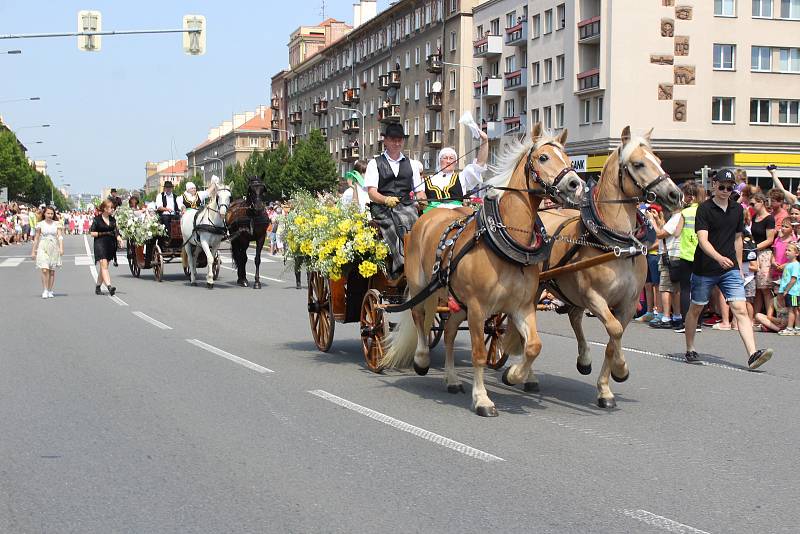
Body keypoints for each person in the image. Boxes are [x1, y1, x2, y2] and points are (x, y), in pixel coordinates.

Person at [683, 169, 774, 369]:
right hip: (705, 268)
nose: (725, 190)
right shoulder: (704, 209)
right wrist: (718, 257)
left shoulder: (736, 210)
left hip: (730, 269)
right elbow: (702, 240)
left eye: (729, 187)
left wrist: (739, 266)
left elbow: (738, 239)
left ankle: (752, 354)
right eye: (722, 186)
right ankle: (690, 348)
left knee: (740, 309)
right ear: (714, 185)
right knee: (696, 308)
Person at [364, 122, 425, 278]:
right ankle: (401, 264)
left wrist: (423, 201)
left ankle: (421, 260)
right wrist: (385, 200)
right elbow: (372, 192)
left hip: (406, 206)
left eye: (400, 140)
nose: (397, 143)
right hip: (382, 207)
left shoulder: (411, 164)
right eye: (393, 139)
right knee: (398, 223)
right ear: (385, 141)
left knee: (419, 223)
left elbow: (419, 191)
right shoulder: (374, 163)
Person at [422, 130, 489, 212]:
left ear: (456, 162)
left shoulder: (462, 177)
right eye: (445, 158)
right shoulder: (427, 180)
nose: (448, 161)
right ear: (439, 161)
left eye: (451, 158)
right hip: (432, 216)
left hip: (457, 217)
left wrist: (485, 141)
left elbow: (480, 164)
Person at [674, 181, 704, 333]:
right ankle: (699, 322)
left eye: (685, 195)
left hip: (686, 254)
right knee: (701, 288)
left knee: (685, 289)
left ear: (690, 197)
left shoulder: (684, 213)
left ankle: (687, 322)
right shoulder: (704, 210)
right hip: (702, 253)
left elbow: (676, 233)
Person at [647, 204, 683, 328]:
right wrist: (657, 219)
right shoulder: (677, 217)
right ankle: (676, 316)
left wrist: (652, 221)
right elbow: (665, 231)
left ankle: (666, 317)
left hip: (670, 255)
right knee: (674, 288)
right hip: (672, 254)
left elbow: (660, 234)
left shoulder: (676, 217)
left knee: (665, 288)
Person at [749, 192, 776, 319]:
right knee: (757, 289)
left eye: (753, 204)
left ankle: (769, 316)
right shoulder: (754, 217)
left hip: (764, 254)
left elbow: (769, 239)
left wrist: (753, 247)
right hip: (754, 254)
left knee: (765, 288)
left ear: (761, 202)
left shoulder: (769, 218)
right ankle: (756, 317)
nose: (751, 206)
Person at [90, 200, 124, 296]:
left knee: (104, 267)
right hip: (100, 244)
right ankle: (109, 287)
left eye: (113, 207)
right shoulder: (97, 219)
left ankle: (98, 287)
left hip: (110, 244)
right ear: (105, 208)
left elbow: (116, 232)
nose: (113, 209)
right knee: (104, 265)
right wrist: (104, 233)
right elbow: (92, 233)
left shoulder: (113, 219)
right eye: (111, 207)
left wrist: (120, 239)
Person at [30, 206, 63, 299]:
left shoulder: (57, 224)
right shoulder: (40, 224)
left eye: (52, 214)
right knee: (44, 269)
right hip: (43, 246)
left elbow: (60, 236)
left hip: (53, 246)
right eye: (48, 213)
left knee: (51, 270)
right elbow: (36, 238)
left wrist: (61, 248)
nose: (50, 215)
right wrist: (33, 251)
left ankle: (50, 290)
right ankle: (45, 289)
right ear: (44, 213)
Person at [776, 242, 800, 335]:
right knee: (794, 309)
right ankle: (797, 328)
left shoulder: (795, 265)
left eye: (789, 250)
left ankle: (790, 328)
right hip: (790, 291)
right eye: (786, 250)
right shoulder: (789, 264)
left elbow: (794, 279)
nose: (786, 252)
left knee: (792, 309)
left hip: (793, 291)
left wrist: (786, 290)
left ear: (796, 253)